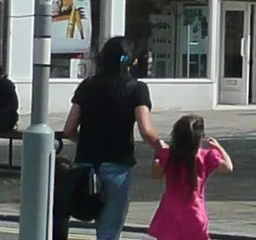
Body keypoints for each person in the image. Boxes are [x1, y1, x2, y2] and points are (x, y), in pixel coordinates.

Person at [61, 36, 163, 240]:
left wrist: (85, 141)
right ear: (130, 61)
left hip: (85, 166)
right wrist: (161, 147)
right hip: (117, 165)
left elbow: (69, 129)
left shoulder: (87, 86)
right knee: (109, 230)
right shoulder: (137, 88)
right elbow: (146, 130)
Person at [148, 114, 232, 240]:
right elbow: (228, 167)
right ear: (201, 137)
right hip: (195, 213)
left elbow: (156, 175)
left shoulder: (168, 156)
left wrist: (157, 159)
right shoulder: (206, 156)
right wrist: (218, 147)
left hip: (170, 212)